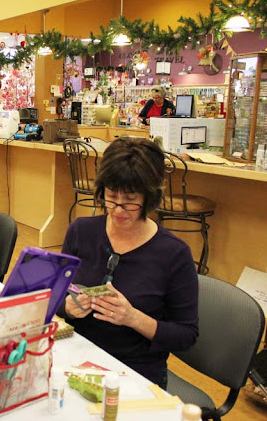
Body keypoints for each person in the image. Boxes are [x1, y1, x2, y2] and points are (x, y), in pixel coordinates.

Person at [57, 137, 198, 388]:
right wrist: (67, 307)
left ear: (150, 197)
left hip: (136, 372)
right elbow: (51, 296)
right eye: (111, 197)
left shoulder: (174, 254)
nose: (118, 210)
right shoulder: (81, 231)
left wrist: (133, 318)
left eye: (130, 200)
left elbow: (186, 336)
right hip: (77, 357)